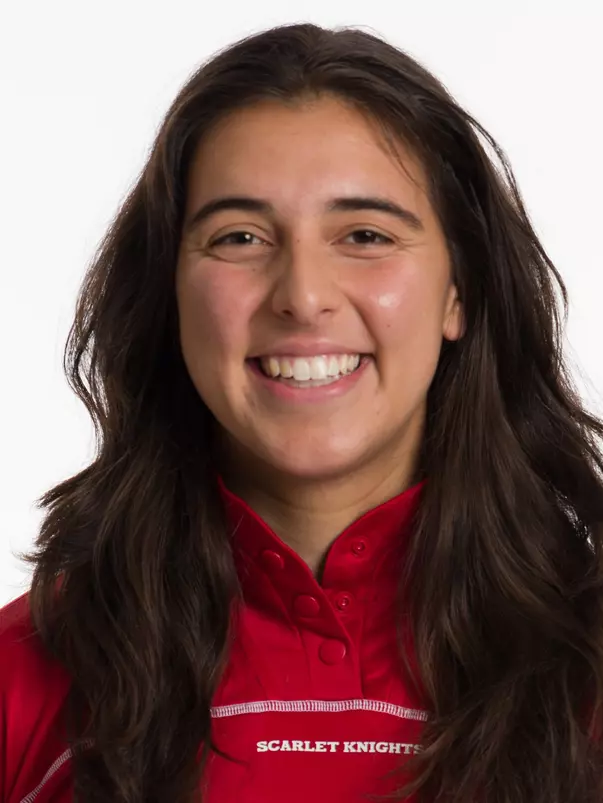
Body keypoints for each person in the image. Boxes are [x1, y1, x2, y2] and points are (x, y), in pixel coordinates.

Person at [2, 20, 603, 803]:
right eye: (241, 236)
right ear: (170, 292)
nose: (302, 295)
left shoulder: (584, 664)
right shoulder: (27, 673)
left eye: (363, 233)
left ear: (459, 291)